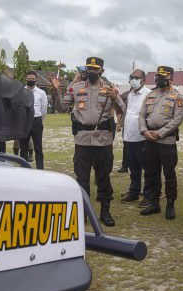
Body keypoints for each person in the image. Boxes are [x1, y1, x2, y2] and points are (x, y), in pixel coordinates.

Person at [51, 57, 124, 226]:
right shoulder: (75, 88)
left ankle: (105, 212)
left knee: (103, 177)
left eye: (95, 69)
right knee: (82, 178)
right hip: (83, 140)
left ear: (101, 72)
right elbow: (61, 108)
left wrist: (116, 98)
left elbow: (123, 110)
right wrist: (56, 91)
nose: (91, 72)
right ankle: (82, 213)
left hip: (103, 141)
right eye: (89, 69)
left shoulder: (109, 89)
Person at [138, 66, 183, 219]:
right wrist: (145, 131)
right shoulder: (151, 94)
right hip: (149, 138)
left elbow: (177, 120)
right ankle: (154, 203)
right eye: (158, 76)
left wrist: (159, 133)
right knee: (152, 173)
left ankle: (170, 204)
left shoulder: (177, 96)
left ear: (171, 78)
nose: (159, 79)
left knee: (169, 174)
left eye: (163, 77)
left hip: (166, 140)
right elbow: (141, 115)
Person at [120, 69, 151, 203]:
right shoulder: (130, 94)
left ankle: (149, 194)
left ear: (144, 80)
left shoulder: (149, 94)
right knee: (133, 168)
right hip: (129, 136)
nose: (133, 80)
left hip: (142, 137)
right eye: (131, 77)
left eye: (136, 77)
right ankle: (134, 191)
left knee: (148, 169)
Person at [20, 70, 48, 169]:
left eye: (32, 79)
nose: (30, 80)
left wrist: (39, 118)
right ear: (25, 79)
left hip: (36, 121)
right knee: (23, 147)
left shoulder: (41, 93)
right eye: (29, 79)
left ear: (36, 80)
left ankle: (40, 169)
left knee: (38, 147)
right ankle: (23, 168)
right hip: (24, 121)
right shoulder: (20, 91)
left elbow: (44, 108)